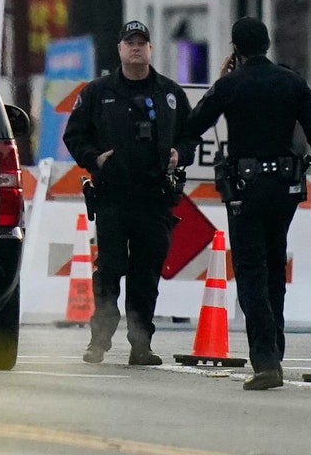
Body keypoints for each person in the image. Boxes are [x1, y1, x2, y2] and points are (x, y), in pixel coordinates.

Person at [187, 16, 311, 390]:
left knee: (251, 271)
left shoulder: (231, 85)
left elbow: (192, 126)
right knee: (273, 265)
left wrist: (221, 82)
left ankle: (266, 360)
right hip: (285, 188)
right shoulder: (293, 83)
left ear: (236, 48)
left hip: (246, 191)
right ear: (268, 43)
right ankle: (276, 350)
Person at [63, 20, 199, 366]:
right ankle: (99, 342)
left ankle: (141, 344)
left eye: (142, 42)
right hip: (112, 195)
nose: (136, 48)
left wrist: (179, 154)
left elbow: (190, 135)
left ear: (151, 49)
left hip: (154, 197)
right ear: (120, 49)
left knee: (146, 273)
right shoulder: (98, 92)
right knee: (109, 269)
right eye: (130, 42)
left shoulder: (168, 94)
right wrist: (95, 158)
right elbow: (74, 135)